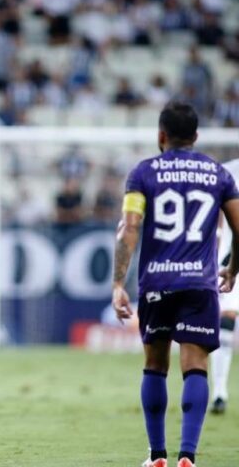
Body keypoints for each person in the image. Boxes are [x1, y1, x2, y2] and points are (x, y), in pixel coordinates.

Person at [111, 102, 239, 467]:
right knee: (195, 365)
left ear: (160, 135)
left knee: (155, 365)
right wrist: (232, 267)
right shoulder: (218, 174)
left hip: (157, 280)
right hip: (200, 282)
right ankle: (188, 456)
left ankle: (156, 456)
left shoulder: (143, 173)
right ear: (196, 137)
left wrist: (118, 281)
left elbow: (130, 227)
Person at [210, 157, 239, 414]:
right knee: (226, 319)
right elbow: (218, 219)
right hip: (232, 258)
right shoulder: (228, 172)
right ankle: (219, 391)